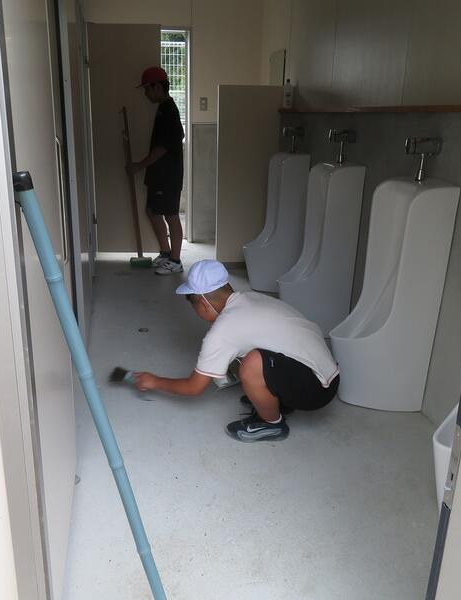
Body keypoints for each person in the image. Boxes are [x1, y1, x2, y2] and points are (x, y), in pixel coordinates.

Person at [133, 260, 340, 442]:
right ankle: (273, 400)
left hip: (316, 391)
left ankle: (271, 424)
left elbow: (193, 387)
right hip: (325, 374)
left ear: (203, 303)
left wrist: (154, 381)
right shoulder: (251, 298)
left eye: (193, 307)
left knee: (252, 365)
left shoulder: (224, 330)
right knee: (252, 355)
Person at [129, 66, 185, 275]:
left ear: (158, 87)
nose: (146, 93)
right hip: (158, 174)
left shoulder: (169, 110)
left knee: (171, 214)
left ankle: (176, 261)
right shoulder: (163, 109)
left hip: (168, 175)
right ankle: (165, 252)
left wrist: (139, 165)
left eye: (147, 89)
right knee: (152, 211)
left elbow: (163, 147)